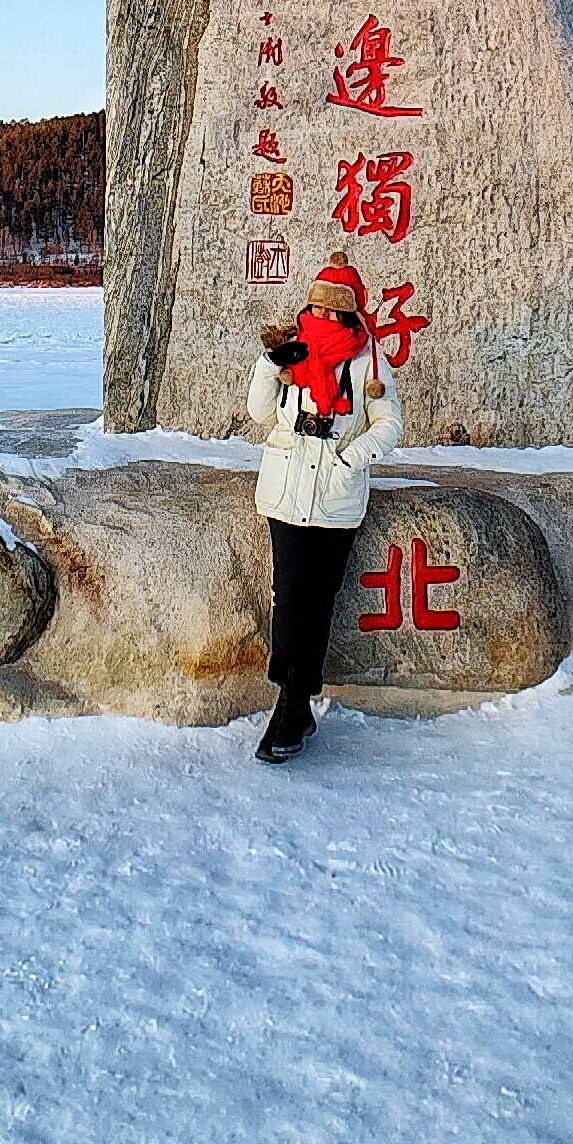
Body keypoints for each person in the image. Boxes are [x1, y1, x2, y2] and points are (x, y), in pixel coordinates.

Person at [245, 255, 404, 763]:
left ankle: (295, 704)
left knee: (319, 599)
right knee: (290, 595)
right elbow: (258, 412)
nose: (323, 318)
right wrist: (269, 364)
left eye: (334, 311)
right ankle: (291, 702)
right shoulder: (293, 351)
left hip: (335, 492)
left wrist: (350, 460)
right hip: (288, 487)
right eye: (316, 308)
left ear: (351, 315)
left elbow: (389, 424)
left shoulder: (368, 361)